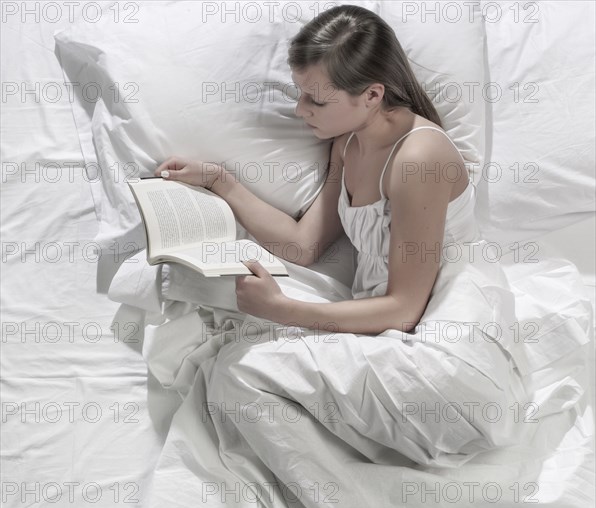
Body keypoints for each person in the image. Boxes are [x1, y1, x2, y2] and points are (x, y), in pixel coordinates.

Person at [154, 4, 477, 337]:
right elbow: (303, 245)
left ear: (372, 95)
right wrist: (220, 181)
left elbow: (405, 310)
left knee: (243, 370)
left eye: (316, 101)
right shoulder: (348, 144)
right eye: (301, 94)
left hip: (437, 325)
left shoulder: (419, 159)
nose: (300, 110)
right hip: (374, 319)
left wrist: (284, 310)